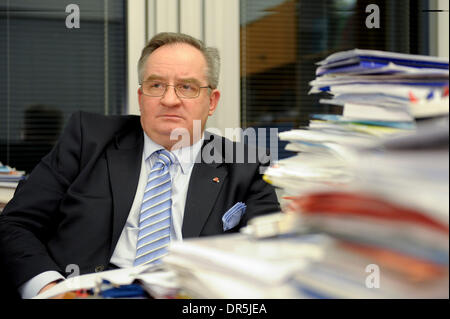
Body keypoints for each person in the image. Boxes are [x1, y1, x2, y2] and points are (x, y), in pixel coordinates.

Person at [0, 32, 280, 299]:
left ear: (211, 101)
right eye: (156, 85)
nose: (170, 100)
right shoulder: (88, 140)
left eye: (187, 87)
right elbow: (17, 224)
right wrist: (51, 289)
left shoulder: (245, 165)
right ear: (140, 97)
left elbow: (273, 255)